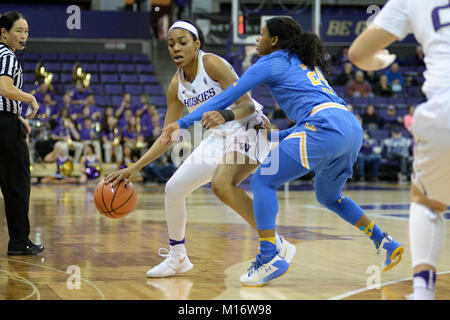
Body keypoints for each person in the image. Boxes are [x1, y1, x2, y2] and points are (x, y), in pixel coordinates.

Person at [163, 16, 404, 287]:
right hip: (348, 126)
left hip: (323, 127)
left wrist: (182, 122)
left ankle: (270, 256)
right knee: (329, 197)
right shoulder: (304, 63)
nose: (257, 40)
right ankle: (383, 240)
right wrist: (277, 136)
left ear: (274, 41)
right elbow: (311, 117)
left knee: (263, 180)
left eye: (262, 34)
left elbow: (228, 96)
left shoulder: (270, 61)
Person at [106, 20, 296, 278]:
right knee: (173, 189)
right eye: (171, 44)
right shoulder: (176, 86)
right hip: (219, 137)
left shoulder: (212, 64)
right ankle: (178, 257)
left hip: (250, 128)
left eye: (183, 42)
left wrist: (225, 114)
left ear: (197, 44)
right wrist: (136, 167)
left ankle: (276, 244)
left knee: (221, 185)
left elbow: (248, 106)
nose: (176, 48)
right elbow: (169, 134)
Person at [348, 0, 450, 300]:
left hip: (444, 106)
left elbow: (358, 53)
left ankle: (422, 292)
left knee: (427, 201)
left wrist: (378, 62)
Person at [0, 11, 44, 255]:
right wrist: (30, 99)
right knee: (17, 185)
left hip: (6, 119)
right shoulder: (7, 55)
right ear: (4, 32)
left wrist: (15, 113)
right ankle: (19, 241)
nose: (24, 35)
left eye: (26, 31)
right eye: (19, 30)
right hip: (5, 129)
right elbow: (5, 89)